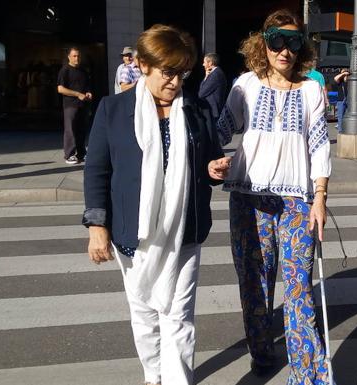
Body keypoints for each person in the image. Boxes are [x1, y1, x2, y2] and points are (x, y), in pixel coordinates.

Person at [83, 24, 230, 385]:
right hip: (133, 232)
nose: (176, 82)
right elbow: (97, 170)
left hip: (185, 229)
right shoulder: (112, 109)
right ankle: (153, 374)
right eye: (169, 72)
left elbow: (210, 160)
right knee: (144, 312)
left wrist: (214, 169)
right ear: (144, 65)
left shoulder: (197, 110)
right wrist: (97, 227)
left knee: (179, 315)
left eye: (183, 73)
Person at [216, 9, 333, 384]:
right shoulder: (244, 85)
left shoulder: (312, 89)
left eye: (293, 43)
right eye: (277, 42)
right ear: (263, 44)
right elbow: (220, 130)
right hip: (249, 198)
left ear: (302, 48)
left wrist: (320, 198)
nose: (284, 51)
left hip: (298, 200)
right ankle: (263, 355)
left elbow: (319, 146)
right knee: (255, 283)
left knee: (299, 289)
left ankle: (309, 377)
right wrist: (209, 159)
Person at [57, 47, 92, 164]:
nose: (77, 58)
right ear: (69, 57)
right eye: (74, 56)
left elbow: (87, 86)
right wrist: (77, 94)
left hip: (83, 104)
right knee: (70, 129)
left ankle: (81, 153)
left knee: (82, 129)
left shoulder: (83, 71)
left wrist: (88, 93)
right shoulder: (65, 70)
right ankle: (69, 155)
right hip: (70, 105)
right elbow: (60, 89)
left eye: (78, 56)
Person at [199, 52, 227, 121]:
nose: (203, 64)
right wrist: (206, 77)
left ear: (210, 63)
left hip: (213, 112)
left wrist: (206, 78)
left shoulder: (215, 75)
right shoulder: (217, 73)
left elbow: (201, 93)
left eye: (204, 62)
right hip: (214, 111)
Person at [333, 68, 349, 133]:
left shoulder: (350, 80)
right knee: (340, 116)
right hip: (341, 99)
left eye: (346, 73)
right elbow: (335, 78)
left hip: (349, 100)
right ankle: (340, 130)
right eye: (343, 73)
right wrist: (342, 74)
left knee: (348, 116)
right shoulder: (340, 81)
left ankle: (347, 129)